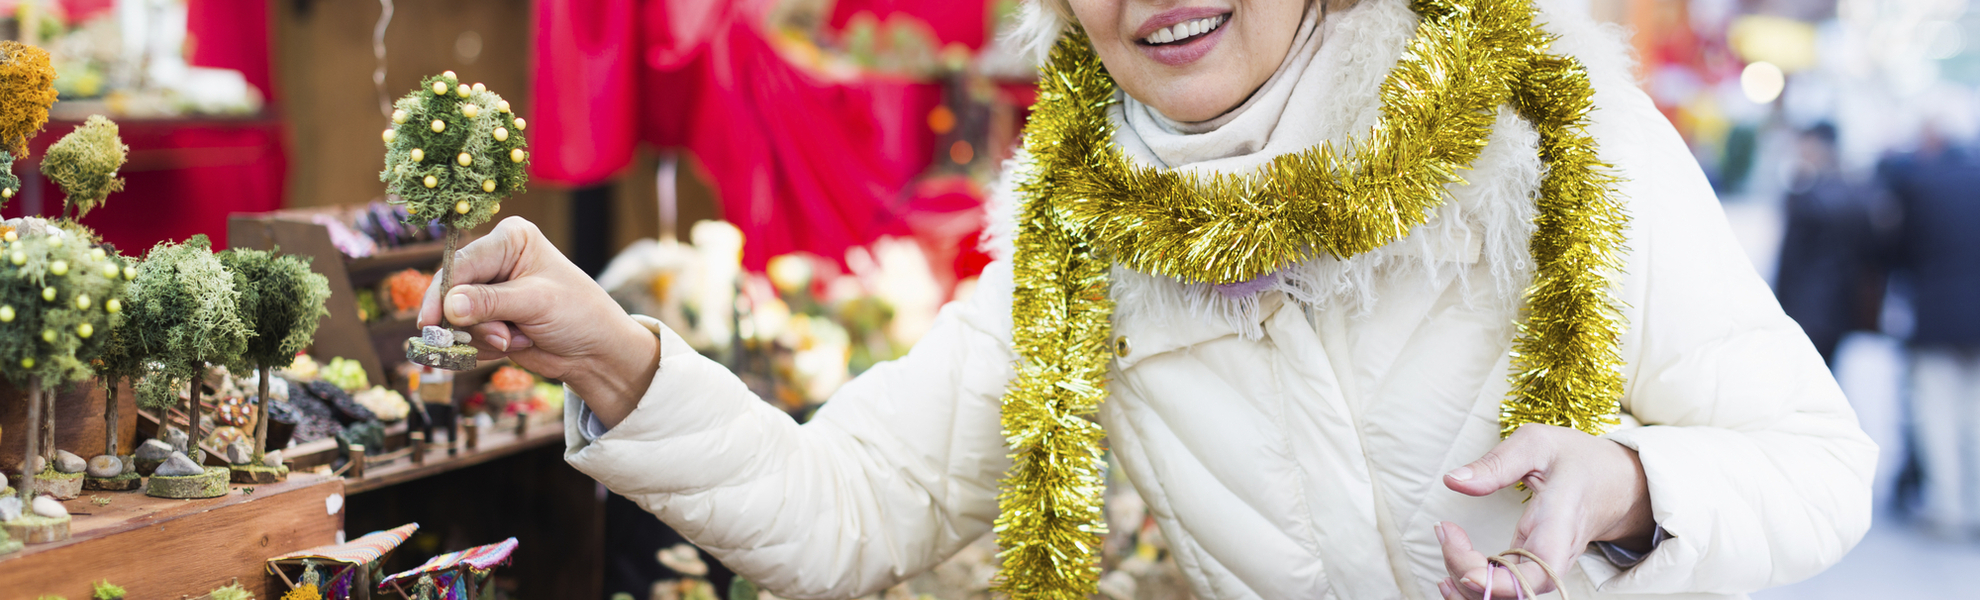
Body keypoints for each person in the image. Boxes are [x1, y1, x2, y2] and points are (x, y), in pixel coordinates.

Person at [422, 1, 1876, 598]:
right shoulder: (1077, 240)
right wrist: (619, 358)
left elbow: (1818, 470)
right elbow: (852, 509)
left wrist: (1626, 482)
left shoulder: (1553, 140)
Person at [1880, 122, 1980, 539]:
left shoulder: (1921, 185)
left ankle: (1947, 505)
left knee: (1935, 410)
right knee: (1973, 413)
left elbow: (1898, 253)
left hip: (1935, 315)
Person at [1773, 123, 1888, 366]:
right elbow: (1872, 255)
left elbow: (1789, 263)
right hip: (1843, 307)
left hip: (1806, 307)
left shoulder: (1805, 197)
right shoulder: (1858, 193)